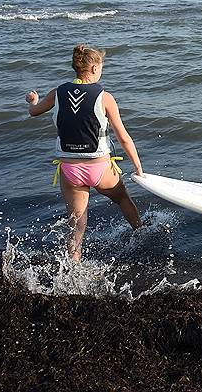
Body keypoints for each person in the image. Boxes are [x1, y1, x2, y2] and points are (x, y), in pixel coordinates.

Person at [25, 44, 144, 261]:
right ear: (94, 68)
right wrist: (138, 168)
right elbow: (123, 137)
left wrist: (33, 100)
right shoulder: (104, 97)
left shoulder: (57, 93)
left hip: (70, 171)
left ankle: (73, 267)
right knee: (123, 199)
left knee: (77, 224)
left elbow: (33, 111)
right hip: (99, 168)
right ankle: (141, 233)